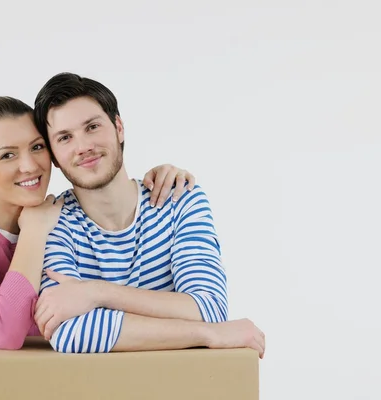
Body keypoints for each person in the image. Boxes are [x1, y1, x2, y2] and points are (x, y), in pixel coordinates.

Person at [0, 95, 197, 399]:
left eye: (37, 147)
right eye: (7, 155)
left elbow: (104, 310)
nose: (29, 165)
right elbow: (5, 330)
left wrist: (157, 182)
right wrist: (34, 233)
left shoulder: (62, 217)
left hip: (41, 386)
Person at [31, 72, 266, 357]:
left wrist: (95, 293)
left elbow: (209, 308)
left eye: (92, 127)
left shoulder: (180, 199)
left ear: (119, 128)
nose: (83, 147)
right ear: (54, 155)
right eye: (65, 137)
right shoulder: (51, 222)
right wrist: (208, 334)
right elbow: (69, 333)